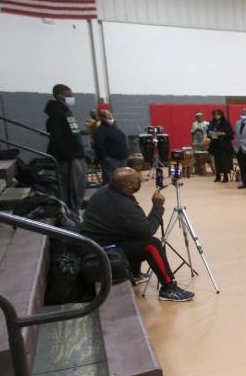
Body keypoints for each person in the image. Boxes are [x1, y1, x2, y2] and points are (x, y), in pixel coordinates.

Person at [80, 167, 195, 302]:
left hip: (96, 243)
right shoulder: (122, 205)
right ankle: (168, 288)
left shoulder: (106, 191)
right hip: (101, 250)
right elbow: (147, 230)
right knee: (152, 244)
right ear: (128, 185)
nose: (140, 181)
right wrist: (158, 206)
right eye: (137, 180)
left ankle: (135, 274)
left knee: (134, 234)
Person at [44, 84, 88, 214]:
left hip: (77, 155)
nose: (72, 97)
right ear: (60, 95)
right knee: (70, 189)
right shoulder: (56, 113)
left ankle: (75, 211)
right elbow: (59, 139)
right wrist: (71, 157)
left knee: (79, 188)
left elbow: (73, 132)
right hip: (68, 159)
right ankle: (70, 215)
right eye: (69, 94)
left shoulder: (66, 111)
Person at [92, 109, 129, 185]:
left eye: (110, 114)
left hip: (122, 159)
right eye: (107, 114)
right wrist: (106, 158)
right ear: (102, 117)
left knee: (122, 181)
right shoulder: (100, 130)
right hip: (111, 160)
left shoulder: (115, 127)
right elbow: (98, 145)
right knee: (111, 182)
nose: (110, 115)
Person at [206, 109, 233, 183]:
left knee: (224, 161)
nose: (216, 116)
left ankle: (225, 176)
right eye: (215, 115)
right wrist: (210, 134)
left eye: (218, 114)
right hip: (215, 145)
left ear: (221, 115)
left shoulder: (225, 122)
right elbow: (208, 132)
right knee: (216, 161)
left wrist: (223, 133)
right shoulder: (212, 123)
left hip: (224, 145)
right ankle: (217, 176)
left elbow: (231, 134)